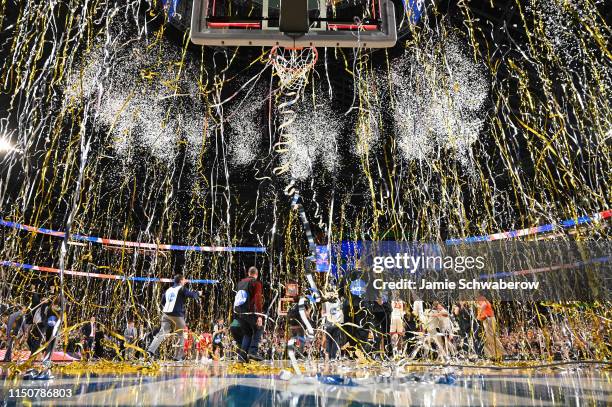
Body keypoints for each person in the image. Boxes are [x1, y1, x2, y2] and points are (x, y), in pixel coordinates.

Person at [147, 274, 201, 361]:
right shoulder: (182, 289)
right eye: (184, 280)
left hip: (166, 314)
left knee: (161, 334)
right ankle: (177, 357)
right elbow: (192, 295)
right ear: (180, 281)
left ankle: (150, 351)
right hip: (177, 315)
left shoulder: (168, 290)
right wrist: (198, 293)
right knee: (181, 335)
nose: (185, 281)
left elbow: (162, 302)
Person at [233, 266, 264, 361]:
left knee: (248, 333)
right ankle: (253, 352)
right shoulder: (256, 283)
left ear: (248, 273)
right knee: (259, 328)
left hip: (239, 313)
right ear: (256, 274)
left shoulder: (240, 283)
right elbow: (257, 299)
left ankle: (242, 356)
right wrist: (259, 315)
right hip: (249, 312)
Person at [477, 294, 505, 361]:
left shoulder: (482, 299)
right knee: (488, 338)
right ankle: (493, 355)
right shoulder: (482, 300)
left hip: (488, 319)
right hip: (487, 319)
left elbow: (484, 305)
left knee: (491, 337)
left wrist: (479, 315)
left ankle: (501, 352)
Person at [322, 293, 344, 360]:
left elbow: (323, 313)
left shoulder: (324, 303)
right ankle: (333, 357)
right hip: (336, 324)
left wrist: (323, 323)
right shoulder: (338, 302)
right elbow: (341, 312)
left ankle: (328, 356)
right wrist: (341, 323)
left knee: (328, 341)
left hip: (328, 324)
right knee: (335, 340)